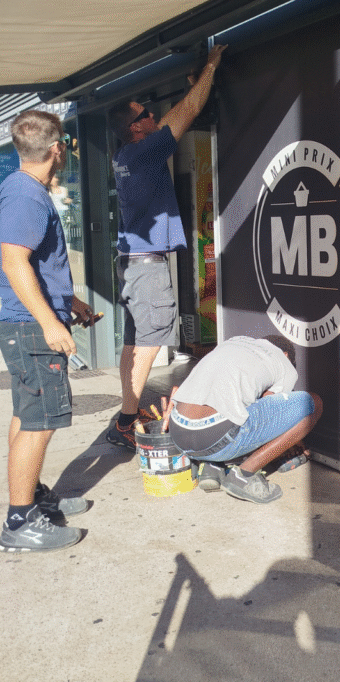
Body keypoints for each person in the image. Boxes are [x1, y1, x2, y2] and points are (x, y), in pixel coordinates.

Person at [106, 43, 226, 450]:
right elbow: (187, 113)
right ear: (136, 128)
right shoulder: (143, 153)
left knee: (133, 342)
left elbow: (178, 111)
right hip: (145, 266)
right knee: (150, 340)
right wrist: (210, 65)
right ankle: (126, 421)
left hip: (129, 262)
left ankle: (127, 409)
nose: (154, 118)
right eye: (146, 115)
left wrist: (196, 86)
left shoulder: (124, 155)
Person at [0, 110, 96, 552]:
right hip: (30, 326)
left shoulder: (23, 189)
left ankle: (32, 498)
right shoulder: (26, 195)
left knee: (26, 414)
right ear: (56, 149)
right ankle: (20, 524)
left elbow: (32, 262)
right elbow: (13, 260)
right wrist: (49, 322)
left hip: (26, 321)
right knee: (40, 421)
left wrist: (68, 303)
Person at [162, 335, 322, 504]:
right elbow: (268, 413)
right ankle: (244, 475)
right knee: (313, 403)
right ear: (286, 354)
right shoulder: (284, 363)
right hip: (214, 438)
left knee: (232, 407)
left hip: (178, 433)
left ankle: (211, 467)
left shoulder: (234, 342)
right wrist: (288, 443)